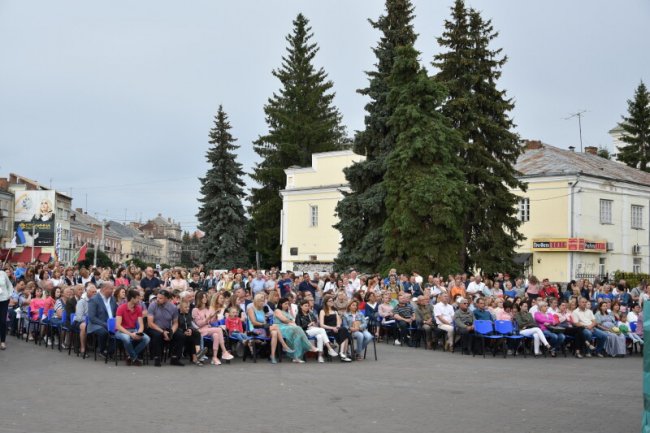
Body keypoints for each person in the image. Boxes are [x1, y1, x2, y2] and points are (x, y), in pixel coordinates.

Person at [247, 293, 291, 364]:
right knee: (276, 326)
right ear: (256, 301)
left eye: (263, 301)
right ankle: (284, 345)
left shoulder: (262, 309)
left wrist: (266, 323)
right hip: (255, 329)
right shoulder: (250, 309)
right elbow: (254, 322)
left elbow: (265, 320)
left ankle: (272, 355)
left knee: (275, 332)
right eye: (261, 301)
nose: (263, 303)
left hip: (263, 329)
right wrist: (265, 325)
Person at [192, 291, 233, 365]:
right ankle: (224, 351)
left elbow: (210, 321)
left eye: (205, 297)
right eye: (203, 297)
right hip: (200, 330)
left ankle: (214, 357)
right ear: (199, 299)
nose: (205, 299)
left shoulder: (207, 309)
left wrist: (214, 315)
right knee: (219, 330)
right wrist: (208, 318)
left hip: (208, 329)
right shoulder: (195, 310)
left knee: (216, 335)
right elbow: (199, 324)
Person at [146, 290, 185, 366]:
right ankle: (157, 358)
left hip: (167, 328)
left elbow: (175, 323)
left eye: (161, 298)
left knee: (180, 336)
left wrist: (171, 333)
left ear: (166, 299)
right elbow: (150, 323)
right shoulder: (152, 305)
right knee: (157, 335)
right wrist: (162, 332)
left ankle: (175, 358)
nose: (158, 299)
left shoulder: (173, 307)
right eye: (157, 297)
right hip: (154, 328)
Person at [274, 297, 317, 363]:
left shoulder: (287, 312)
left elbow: (293, 321)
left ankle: (296, 357)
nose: (287, 305)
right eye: (285, 304)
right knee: (298, 328)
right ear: (280, 304)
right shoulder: (277, 311)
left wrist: (291, 323)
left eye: (288, 304)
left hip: (289, 327)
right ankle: (310, 346)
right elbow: (284, 320)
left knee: (298, 336)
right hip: (280, 328)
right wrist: (291, 322)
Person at [114, 289, 150, 366]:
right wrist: (131, 334)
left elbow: (141, 324)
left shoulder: (138, 308)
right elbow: (118, 326)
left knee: (147, 338)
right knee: (126, 338)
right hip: (121, 331)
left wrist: (139, 333)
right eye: (137, 298)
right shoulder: (121, 308)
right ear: (132, 298)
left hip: (133, 330)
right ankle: (135, 358)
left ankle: (130, 357)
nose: (139, 300)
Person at [87, 282, 117, 358]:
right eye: (111, 289)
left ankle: (111, 351)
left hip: (111, 323)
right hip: (96, 324)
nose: (113, 291)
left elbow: (116, 312)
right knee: (104, 332)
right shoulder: (94, 299)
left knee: (119, 331)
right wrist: (104, 324)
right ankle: (102, 350)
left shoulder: (112, 299)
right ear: (104, 289)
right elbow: (92, 317)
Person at [319, 294, 351, 362]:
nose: (332, 302)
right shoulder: (322, 311)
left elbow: (339, 321)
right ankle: (343, 354)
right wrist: (332, 328)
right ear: (326, 302)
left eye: (332, 301)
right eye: (330, 301)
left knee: (344, 330)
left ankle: (342, 353)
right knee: (345, 333)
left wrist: (338, 326)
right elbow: (322, 325)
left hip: (336, 328)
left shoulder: (335, 311)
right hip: (327, 329)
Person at [177, 300, 206, 366]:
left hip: (188, 333)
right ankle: (196, 356)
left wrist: (190, 330)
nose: (188, 308)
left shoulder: (188, 315)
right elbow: (176, 326)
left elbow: (190, 325)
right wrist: (183, 332)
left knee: (196, 333)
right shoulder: (177, 315)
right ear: (181, 308)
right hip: (180, 334)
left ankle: (197, 354)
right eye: (185, 307)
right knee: (190, 337)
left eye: (188, 307)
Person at [73, 284, 97, 358]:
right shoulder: (81, 302)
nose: (95, 294)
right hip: (80, 322)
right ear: (87, 292)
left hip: (93, 321)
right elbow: (79, 317)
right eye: (93, 292)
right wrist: (90, 319)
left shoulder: (97, 302)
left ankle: (103, 349)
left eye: (95, 292)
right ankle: (82, 348)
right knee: (84, 326)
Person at [0, 268, 15, 350]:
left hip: (3, 300)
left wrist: (9, 295)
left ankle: (2, 341)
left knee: (2, 321)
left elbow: (9, 285)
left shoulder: (3, 273)